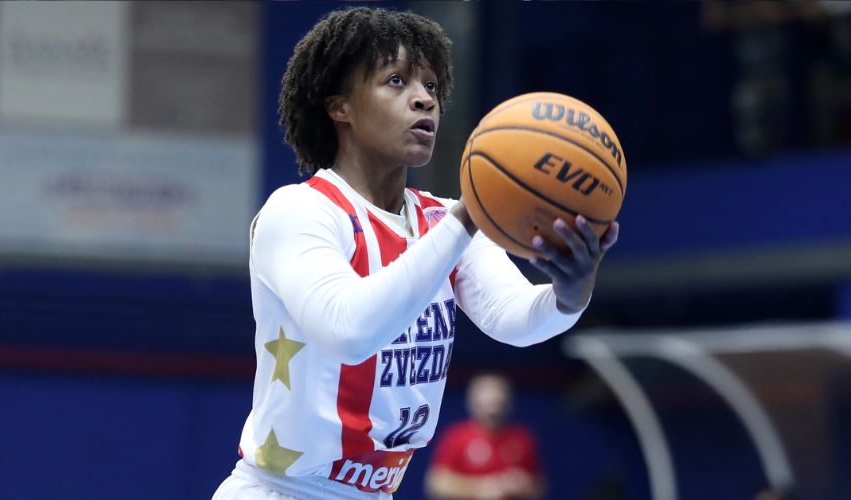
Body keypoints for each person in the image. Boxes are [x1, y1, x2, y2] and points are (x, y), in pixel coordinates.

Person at [211, 6, 619, 500]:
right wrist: (471, 215)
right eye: (397, 81)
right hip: (283, 490)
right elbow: (349, 329)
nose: (424, 99)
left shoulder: (444, 220)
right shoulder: (300, 212)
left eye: (431, 86)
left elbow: (516, 320)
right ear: (340, 107)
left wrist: (571, 293)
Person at [426, 373, 546, 500]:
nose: (493, 406)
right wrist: (483, 488)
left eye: (497, 401)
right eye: (487, 401)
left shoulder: (523, 438)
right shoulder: (456, 436)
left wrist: (523, 484)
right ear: (473, 402)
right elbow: (437, 483)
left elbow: (539, 488)